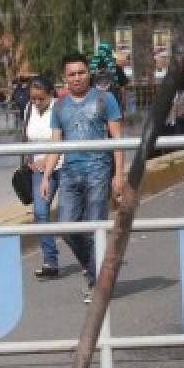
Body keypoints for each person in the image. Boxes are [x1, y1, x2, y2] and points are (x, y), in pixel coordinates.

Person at [39, 53, 125, 303]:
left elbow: (118, 140)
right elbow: (56, 142)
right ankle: (96, 270)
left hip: (99, 170)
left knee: (94, 229)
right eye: (71, 74)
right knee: (67, 228)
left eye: (81, 72)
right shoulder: (59, 106)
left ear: (89, 73)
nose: (77, 78)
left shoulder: (105, 99)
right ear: (64, 78)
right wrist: (46, 177)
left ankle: (98, 284)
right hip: (69, 173)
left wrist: (119, 175)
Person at [24, 76, 61, 279]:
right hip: (39, 171)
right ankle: (50, 260)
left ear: (51, 94)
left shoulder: (60, 109)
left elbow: (62, 139)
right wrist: (30, 158)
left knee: (71, 216)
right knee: (40, 212)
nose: (37, 103)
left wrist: (48, 159)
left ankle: (87, 259)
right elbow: (27, 137)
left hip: (63, 166)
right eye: (33, 99)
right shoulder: (29, 109)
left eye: (41, 99)